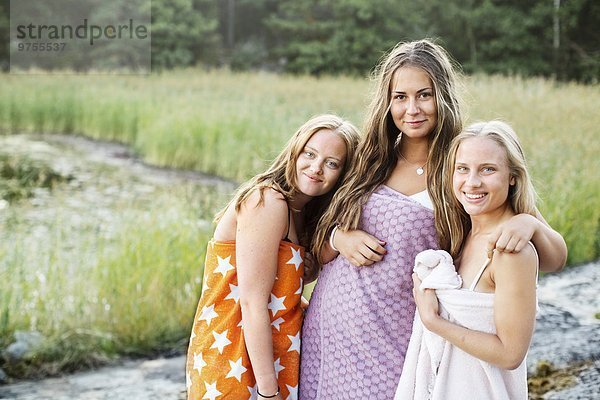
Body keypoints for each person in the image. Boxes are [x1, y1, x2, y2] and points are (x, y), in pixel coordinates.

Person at [299, 40, 567, 399]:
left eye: (424, 95)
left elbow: (555, 258)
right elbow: (315, 249)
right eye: (400, 97)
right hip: (329, 340)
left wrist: (530, 224)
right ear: (387, 101)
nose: (412, 109)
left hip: (399, 341)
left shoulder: (464, 162)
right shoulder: (370, 158)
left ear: (442, 96)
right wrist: (338, 238)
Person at [186, 114, 360, 400]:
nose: (316, 168)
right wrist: (268, 392)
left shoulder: (303, 214)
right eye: (310, 153)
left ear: (344, 173)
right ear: (295, 150)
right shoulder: (268, 201)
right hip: (234, 356)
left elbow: (290, 288)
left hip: (271, 356)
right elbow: (252, 302)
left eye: (332, 163)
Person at [395, 120, 543, 399]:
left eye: (488, 169)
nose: (472, 182)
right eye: (462, 169)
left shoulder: (511, 253)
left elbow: (510, 353)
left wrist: (434, 321)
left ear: (512, 175)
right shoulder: (461, 237)